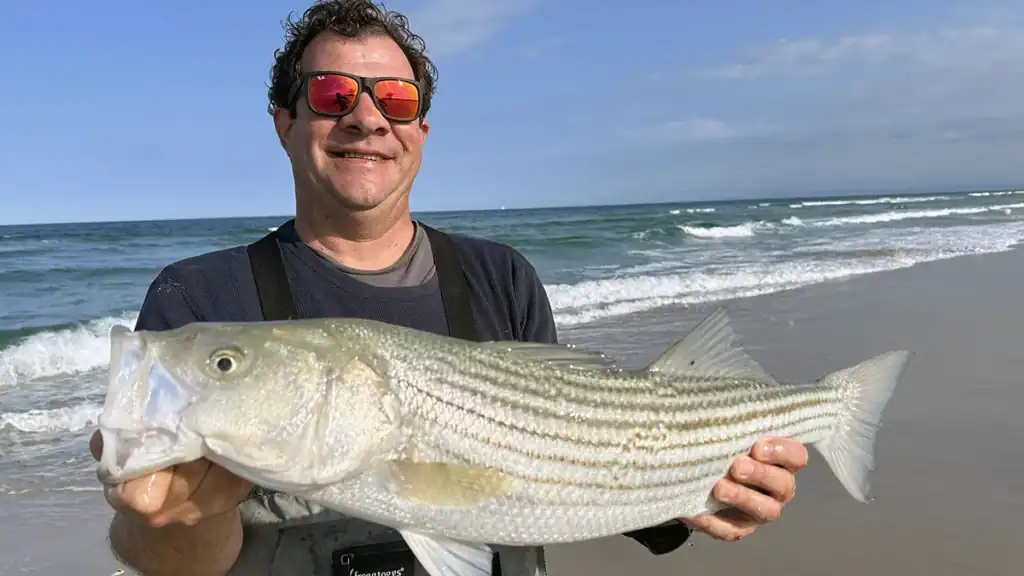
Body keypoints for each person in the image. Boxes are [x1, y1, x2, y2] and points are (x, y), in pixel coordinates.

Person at [88, 1, 809, 574]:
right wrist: (182, 520)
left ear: (420, 131)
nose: (366, 117)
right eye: (333, 93)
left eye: (394, 100)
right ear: (285, 122)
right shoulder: (198, 301)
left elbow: (570, 456)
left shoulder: (500, 277)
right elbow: (165, 561)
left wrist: (700, 489)